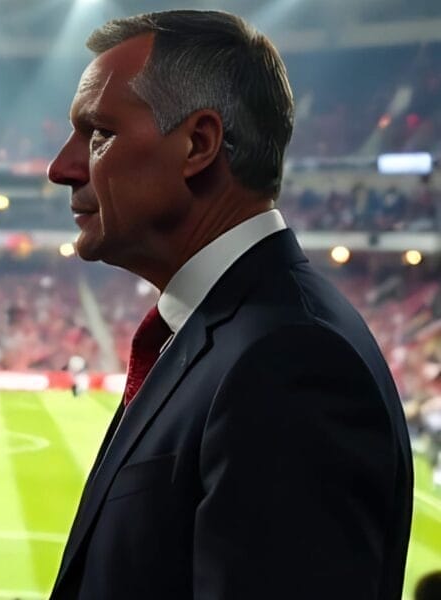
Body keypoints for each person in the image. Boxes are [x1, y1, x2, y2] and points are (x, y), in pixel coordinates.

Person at [47, 10, 413, 600]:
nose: (61, 167)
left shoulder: (290, 361)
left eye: (98, 134)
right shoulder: (231, 332)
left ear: (198, 144)